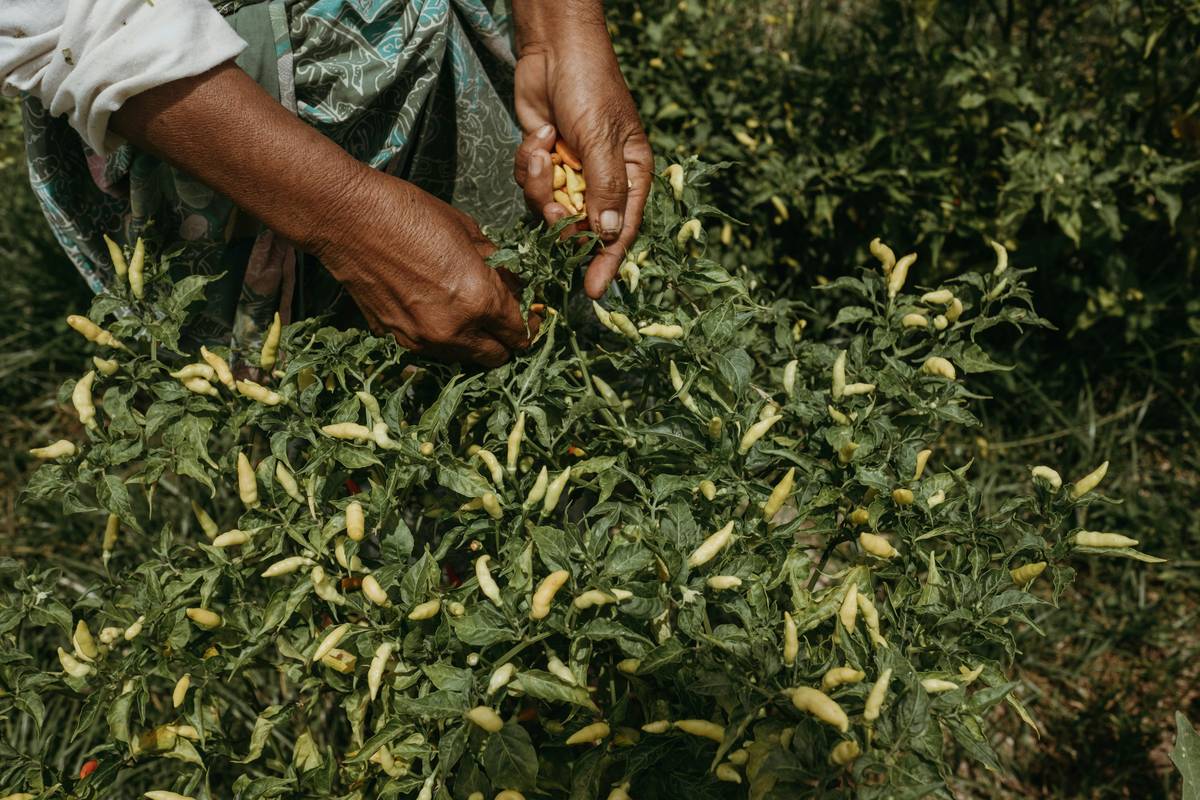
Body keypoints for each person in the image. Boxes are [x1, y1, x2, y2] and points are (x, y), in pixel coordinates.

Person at [0, 0, 652, 366]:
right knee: (313, 403)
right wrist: (347, 219)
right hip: (220, 115)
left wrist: (561, 30)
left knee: (536, 335)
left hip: (444, 44)